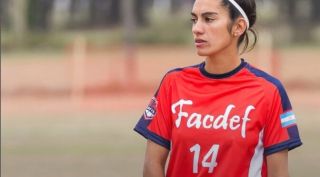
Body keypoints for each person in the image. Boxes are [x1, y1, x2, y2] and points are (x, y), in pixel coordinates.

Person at [134, 0, 302, 176]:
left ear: (238, 26)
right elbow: (152, 164)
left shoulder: (269, 91)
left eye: (208, 19)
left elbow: (279, 173)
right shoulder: (173, 83)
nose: (196, 28)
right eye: (194, 19)